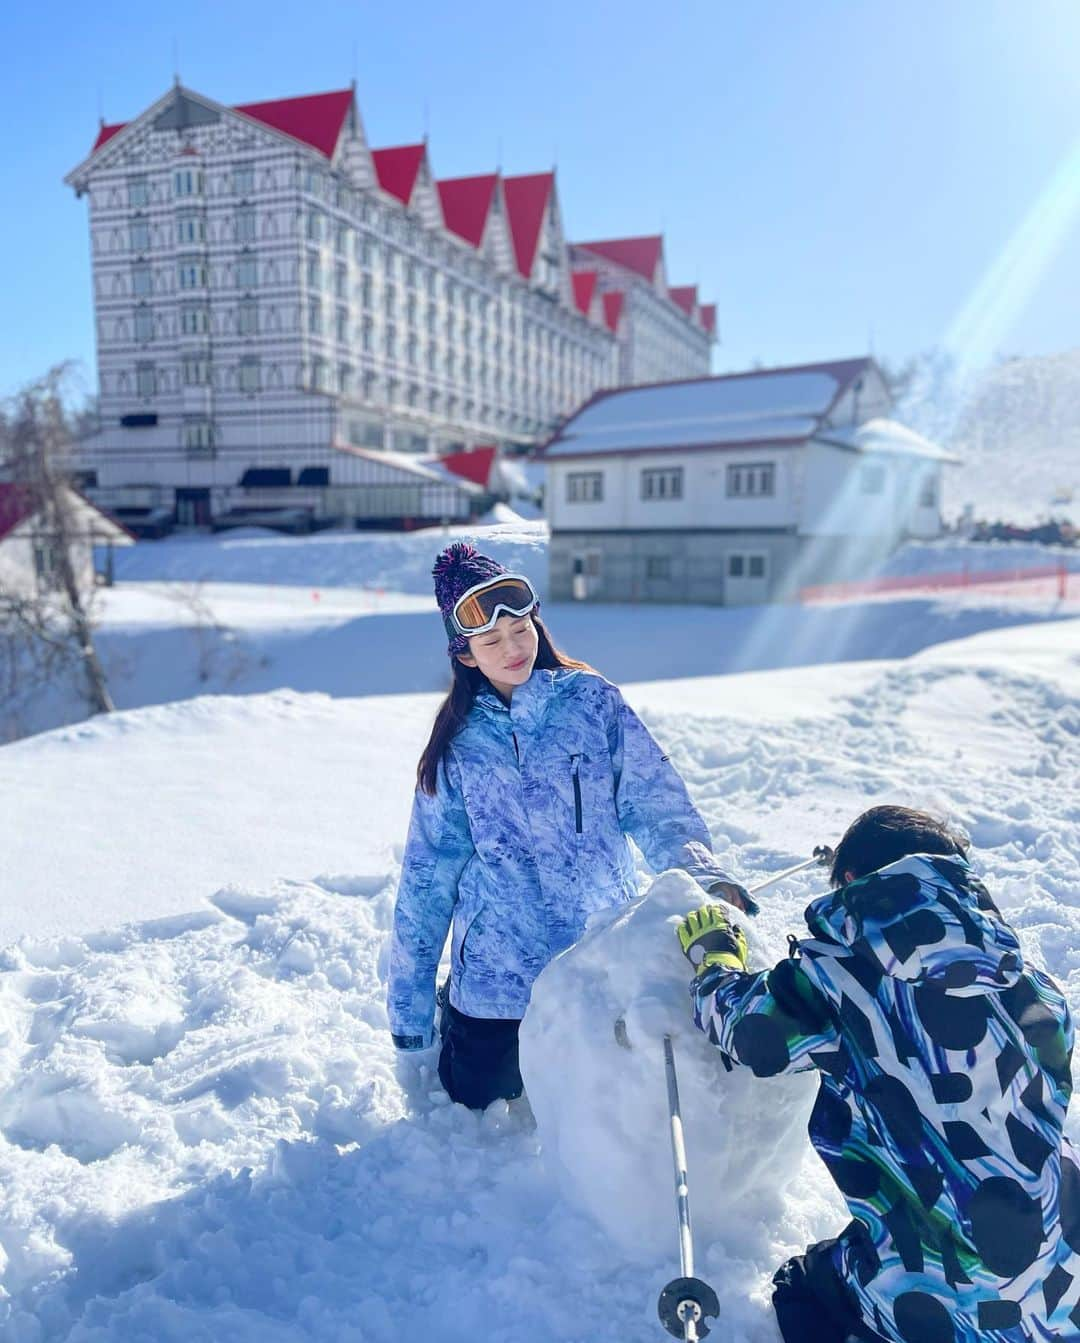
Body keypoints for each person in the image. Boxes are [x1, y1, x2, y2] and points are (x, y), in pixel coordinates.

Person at [676, 805, 1080, 1343]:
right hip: (1062, 1292)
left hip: (942, 1310)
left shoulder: (839, 976)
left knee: (805, 1284)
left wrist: (715, 960)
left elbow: (749, 1032)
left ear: (851, 881)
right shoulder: (1027, 980)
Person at [388, 541, 750, 1111]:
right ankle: (449, 1006)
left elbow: (655, 804)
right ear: (465, 656)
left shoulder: (592, 703)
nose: (512, 648)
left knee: (607, 1099)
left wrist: (704, 876)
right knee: (478, 1099)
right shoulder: (457, 748)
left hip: (595, 952)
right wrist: (408, 1017)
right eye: (490, 641)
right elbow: (427, 882)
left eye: (521, 630)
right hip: (497, 975)